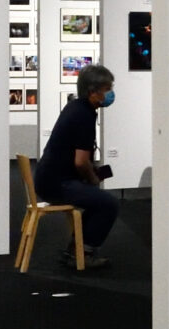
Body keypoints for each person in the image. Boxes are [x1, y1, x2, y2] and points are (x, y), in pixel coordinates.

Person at [38, 65, 121, 264]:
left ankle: (77, 249)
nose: (111, 93)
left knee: (97, 200)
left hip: (47, 179)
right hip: (57, 184)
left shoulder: (75, 107)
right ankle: (84, 253)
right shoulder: (84, 115)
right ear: (93, 91)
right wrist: (93, 179)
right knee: (109, 204)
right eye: (107, 89)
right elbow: (81, 162)